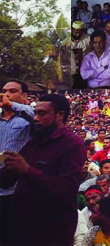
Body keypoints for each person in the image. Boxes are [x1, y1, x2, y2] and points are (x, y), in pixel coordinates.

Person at [0, 94, 86, 245]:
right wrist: (8, 167)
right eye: (35, 113)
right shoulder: (34, 143)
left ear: (60, 115)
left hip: (51, 232)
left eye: (42, 113)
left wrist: (27, 170)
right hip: (21, 228)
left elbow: (67, 188)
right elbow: (8, 180)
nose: (35, 118)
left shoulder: (72, 144)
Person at [0, 80, 33, 244]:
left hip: (17, 190)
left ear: (24, 96)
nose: (6, 94)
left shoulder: (28, 119)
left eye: (12, 91)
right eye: (4, 91)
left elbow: (34, 114)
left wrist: (12, 105)